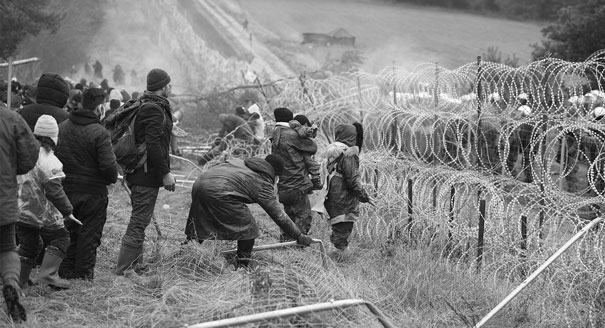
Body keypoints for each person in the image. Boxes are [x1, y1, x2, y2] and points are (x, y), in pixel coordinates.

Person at [184, 155, 313, 268]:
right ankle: (242, 265)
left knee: (200, 221)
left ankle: (185, 253)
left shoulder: (241, 162)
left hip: (199, 184)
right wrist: (299, 236)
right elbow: (279, 215)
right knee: (248, 228)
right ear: (276, 174)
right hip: (220, 191)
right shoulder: (262, 181)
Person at [113, 68, 176, 276]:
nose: (171, 87)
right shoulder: (154, 109)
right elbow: (153, 144)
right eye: (169, 84)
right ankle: (125, 267)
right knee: (139, 220)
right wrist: (165, 173)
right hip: (144, 173)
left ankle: (135, 263)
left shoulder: (150, 106)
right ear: (164, 86)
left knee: (142, 217)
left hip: (141, 172)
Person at [55, 88, 118, 280]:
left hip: (65, 190)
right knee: (89, 235)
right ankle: (82, 275)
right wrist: (111, 178)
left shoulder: (62, 126)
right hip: (93, 193)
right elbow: (109, 167)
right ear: (100, 106)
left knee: (68, 232)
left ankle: (64, 271)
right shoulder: (100, 133)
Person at [16, 115, 81, 290]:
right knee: (61, 238)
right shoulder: (50, 161)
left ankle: (19, 281)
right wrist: (68, 211)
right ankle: (48, 275)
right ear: (54, 138)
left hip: (19, 210)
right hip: (40, 213)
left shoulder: (22, 153)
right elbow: (55, 192)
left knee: (31, 245)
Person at [0, 103, 38, 323]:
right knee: (6, 248)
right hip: (3, 196)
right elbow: (29, 157)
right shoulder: (11, 119)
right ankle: (12, 285)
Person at [271, 107, 322, 239]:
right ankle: (297, 245)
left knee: (288, 217)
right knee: (303, 217)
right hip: (297, 184)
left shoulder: (275, 133)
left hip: (283, 185)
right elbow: (312, 147)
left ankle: (285, 242)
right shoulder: (290, 135)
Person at [323, 123, 370, 258]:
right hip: (344, 197)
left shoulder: (333, 151)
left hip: (333, 194)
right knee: (343, 228)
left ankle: (333, 253)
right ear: (351, 137)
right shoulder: (349, 153)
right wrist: (364, 196)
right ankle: (338, 258)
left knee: (337, 226)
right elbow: (352, 179)